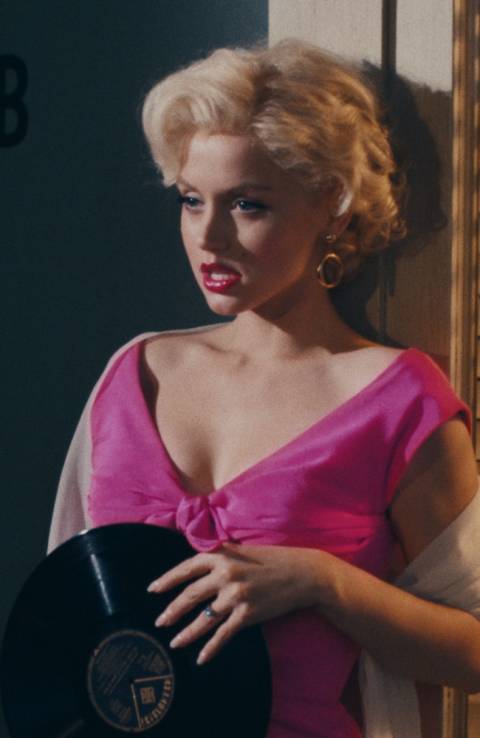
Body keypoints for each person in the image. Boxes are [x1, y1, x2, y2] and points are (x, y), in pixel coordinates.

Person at [48, 39, 480, 738]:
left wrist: (323, 582)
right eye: (192, 201)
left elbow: (475, 650)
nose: (209, 237)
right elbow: (64, 619)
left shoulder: (399, 401)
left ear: (333, 207)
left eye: (247, 205)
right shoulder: (136, 374)